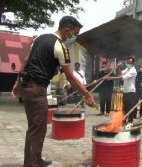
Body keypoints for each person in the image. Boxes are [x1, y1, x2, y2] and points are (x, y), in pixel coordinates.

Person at [11, 16, 96, 167]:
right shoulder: (60, 46)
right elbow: (70, 77)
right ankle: (32, 164)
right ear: (67, 30)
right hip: (37, 88)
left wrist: (17, 83)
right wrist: (87, 94)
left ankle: (36, 159)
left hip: (27, 85)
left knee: (37, 126)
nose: (74, 38)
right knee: (37, 128)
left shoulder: (40, 39)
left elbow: (26, 61)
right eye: (74, 34)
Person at [107, 57, 137, 123]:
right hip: (125, 92)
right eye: (128, 62)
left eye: (130, 63)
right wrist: (118, 67)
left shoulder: (133, 71)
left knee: (130, 108)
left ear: (133, 63)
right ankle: (123, 121)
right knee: (124, 108)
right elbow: (120, 73)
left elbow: (121, 78)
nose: (128, 64)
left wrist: (111, 78)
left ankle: (130, 122)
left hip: (131, 92)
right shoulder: (127, 69)